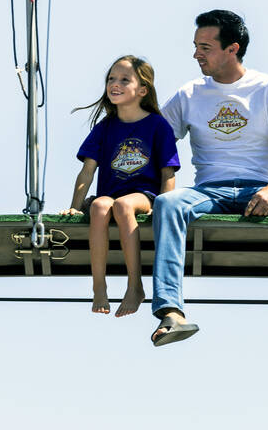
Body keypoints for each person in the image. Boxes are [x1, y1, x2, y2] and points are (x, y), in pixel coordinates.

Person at [149, 10, 268, 347]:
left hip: (261, 188)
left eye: (205, 47)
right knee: (168, 203)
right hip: (209, 191)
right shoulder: (189, 94)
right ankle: (171, 313)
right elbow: (150, 144)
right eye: (196, 46)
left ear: (232, 49)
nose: (196, 54)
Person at [60, 55, 180, 317]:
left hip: (144, 196)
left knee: (124, 205)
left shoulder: (158, 126)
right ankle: (98, 286)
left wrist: (163, 206)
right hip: (109, 194)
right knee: (101, 206)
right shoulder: (105, 127)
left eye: (125, 80)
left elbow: (168, 172)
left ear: (143, 90)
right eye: (111, 79)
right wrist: (74, 207)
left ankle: (134, 284)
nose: (115, 84)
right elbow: (87, 171)